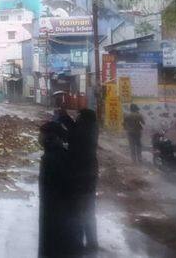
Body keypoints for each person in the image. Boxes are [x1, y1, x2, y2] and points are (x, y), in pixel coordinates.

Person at [56, 107, 99, 252]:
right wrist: (65, 117)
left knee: (79, 210)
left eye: (79, 116)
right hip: (88, 174)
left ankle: (79, 243)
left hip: (82, 175)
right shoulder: (89, 127)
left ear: (84, 118)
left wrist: (62, 121)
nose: (77, 118)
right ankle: (91, 242)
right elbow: (74, 131)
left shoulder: (86, 130)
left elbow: (72, 136)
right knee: (87, 210)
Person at [38, 121, 79, 257]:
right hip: (58, 214)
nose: (40, 138)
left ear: (52, 137)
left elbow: (61, 187)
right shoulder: (60, 154)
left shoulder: (52, 158)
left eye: (42, 135)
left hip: (56, 215)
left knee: (54, 247)